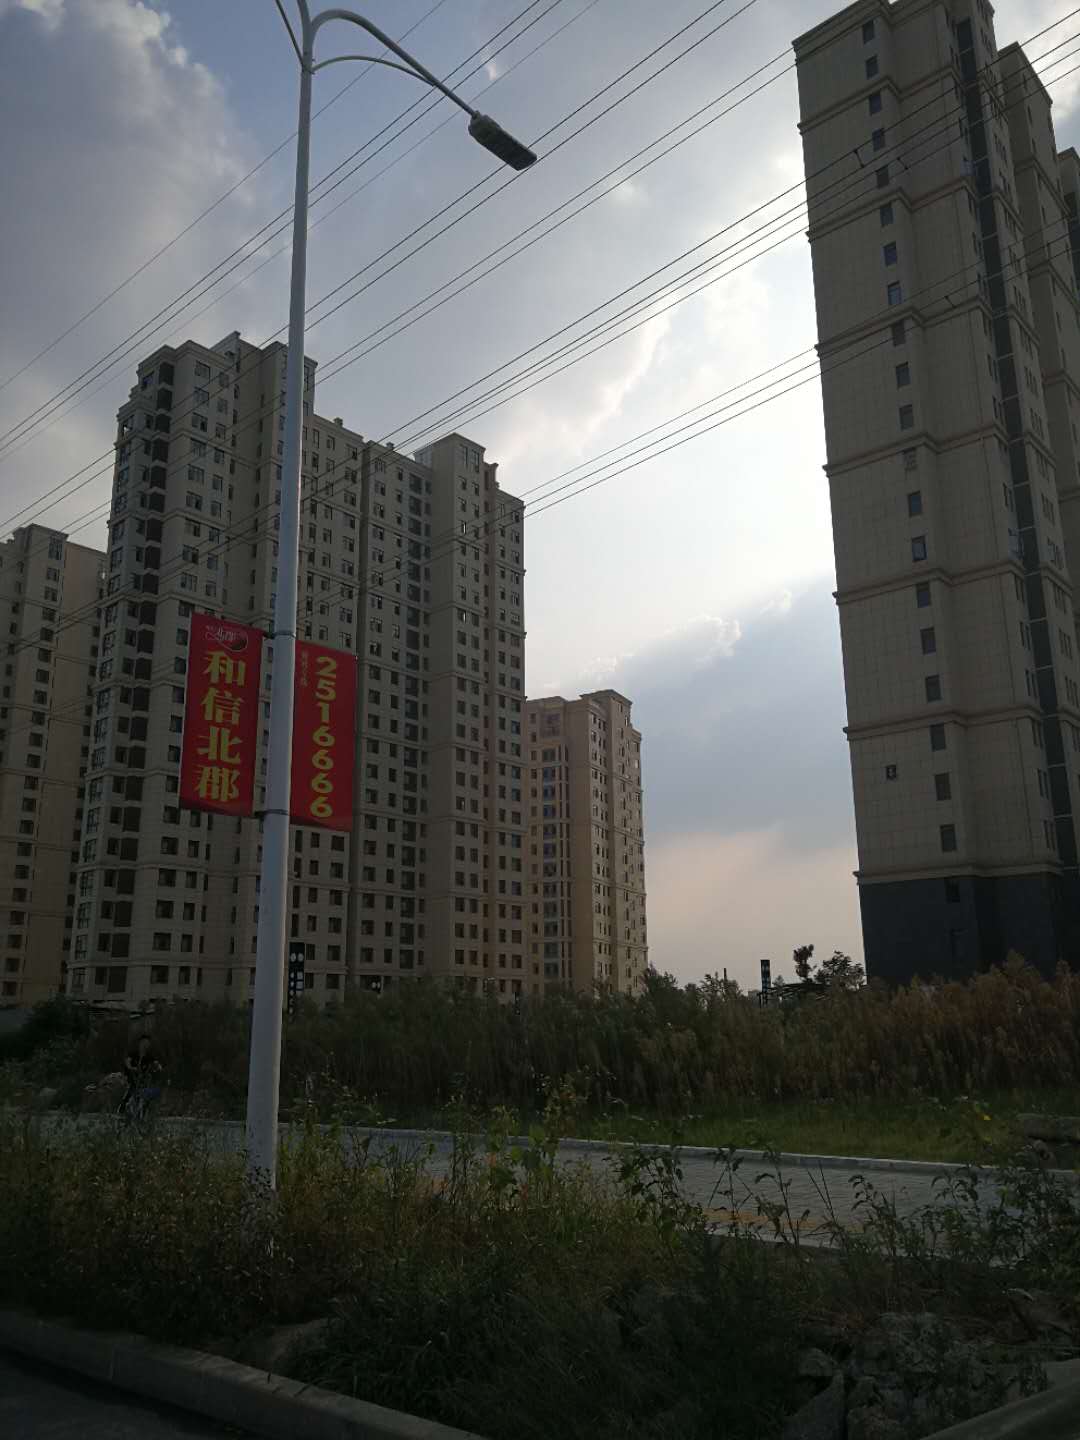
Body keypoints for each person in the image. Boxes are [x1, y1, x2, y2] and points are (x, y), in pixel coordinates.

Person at [120, 1035, 162, 1121]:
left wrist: (158, 1067)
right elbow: (127, 1061)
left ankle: (143, 1113)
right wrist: (131, 1067)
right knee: (131, 1090)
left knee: (147, 1093)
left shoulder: (149, 1056)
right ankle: (122, 1108)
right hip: (131, 1078)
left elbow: (156, 1063)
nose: (145, 1045)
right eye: (144, 1043)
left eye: (147, 1043)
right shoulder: (133, 1054)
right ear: (140, 1043)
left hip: (143, 1080)